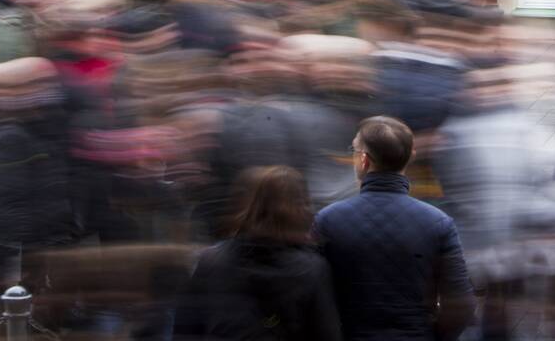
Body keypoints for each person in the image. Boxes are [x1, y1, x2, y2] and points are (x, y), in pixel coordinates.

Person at [314, 116, 474, 341]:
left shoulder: (327, 219)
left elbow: (315, 295)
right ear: (410, 158)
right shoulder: (438, 222)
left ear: (363, 161)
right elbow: (461, 303)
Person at [174, 166, 342, 341]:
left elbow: (184, 328)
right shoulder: (312, 269)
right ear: (299, 210)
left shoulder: (211, 261)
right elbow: (326, 334)